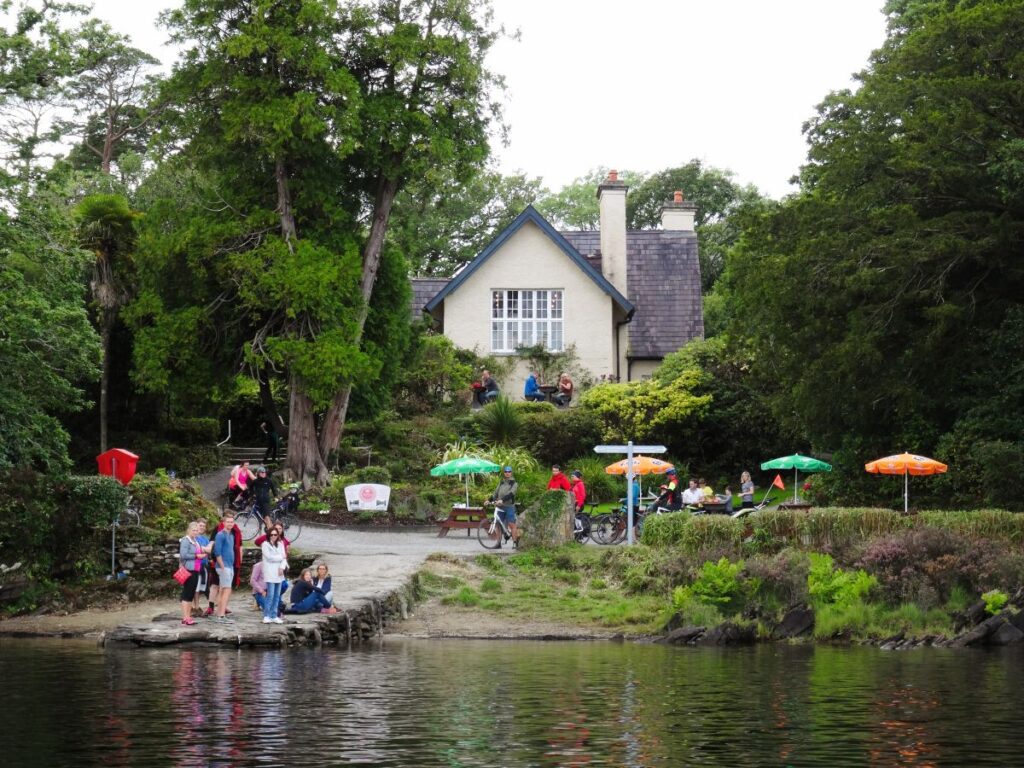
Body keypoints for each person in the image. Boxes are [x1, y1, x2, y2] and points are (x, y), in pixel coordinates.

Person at [179, 522, 210, 626]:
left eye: (197, 530)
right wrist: (197, 556)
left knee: (191, 593)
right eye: (193, 530)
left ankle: (188, 616)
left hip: (196, 569)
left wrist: (203, 553)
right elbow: (183, 555)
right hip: (189, 570)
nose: (195, 532)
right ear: (189, 530)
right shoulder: (185, 540)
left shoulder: (195, 540)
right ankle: (185, 617)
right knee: (187, 594)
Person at [212, 513, 238, 622]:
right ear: (223, 523)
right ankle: (221, 616)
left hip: (230, 566)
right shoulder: (220, 535)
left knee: (223, 590)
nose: (230, 524)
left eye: (232, 522)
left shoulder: (231, 535)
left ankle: (219, 613)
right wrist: (222, 566)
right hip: (224, 567)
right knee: (226, 590)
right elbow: (217, 551)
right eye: (228, 522)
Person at [259, 527, 288, 624]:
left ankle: (274, 615)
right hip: (270, 573)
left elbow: (284, 558)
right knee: (270, 595)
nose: (273, 536)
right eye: (271, 534)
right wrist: (280, 557)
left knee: (277, 595)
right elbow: (269, 558)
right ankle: (266, 615)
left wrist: (282, 567)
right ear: (268, 535)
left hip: (279, 573)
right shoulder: (265, 544)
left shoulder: (280, 544)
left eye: (275, 534)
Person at [487, 466, 519, 544]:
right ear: (504, 473)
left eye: (509, 472)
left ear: (511, 473)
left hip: (509, 506)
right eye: (506, 472)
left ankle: (515, 543)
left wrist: (502, 500)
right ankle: (498, 543)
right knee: (497, 525)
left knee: (511, 524)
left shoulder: (514, 483)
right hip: (500, 507)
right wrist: (489, 500)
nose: (507, 473)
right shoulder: (501, 482)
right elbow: (495, 493)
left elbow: (511, 494)